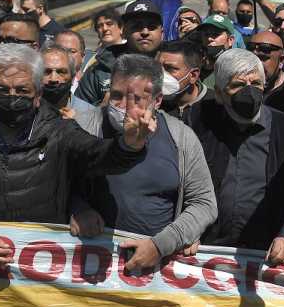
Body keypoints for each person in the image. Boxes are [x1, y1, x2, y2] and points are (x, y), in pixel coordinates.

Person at [0, 43, 153, 269]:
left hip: (39, 275)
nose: (12, 96)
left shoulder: (60, 131)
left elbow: (99, 156)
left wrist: (129, 145)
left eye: (22, 90)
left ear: (37, 95)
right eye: (2, 90)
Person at [81, 54, 217, 270]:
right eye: (116, 96)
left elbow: (204, 204)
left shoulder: (181, 137)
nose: (123, 106)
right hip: (87, 265)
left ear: (158, 100)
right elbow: (57, 181)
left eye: (136, 99)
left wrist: (161, 245)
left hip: (155, 270)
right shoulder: (85, 127)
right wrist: (79, 209)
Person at [188, 49, 284, 261]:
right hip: (207, 250)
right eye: (237, 85)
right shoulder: (199, 121)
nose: (248, 93)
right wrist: (189, 229)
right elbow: (186, 184)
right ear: (218, 93)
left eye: (255, 84)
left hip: (264, 252)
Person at [75, 0, 164, 105]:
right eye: (137, 27)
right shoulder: (100, 71)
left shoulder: (176, 66)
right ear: (125, 32)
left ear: (162, 33)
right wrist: (103, 110)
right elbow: (77, 113)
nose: (145, 32)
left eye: (152, 27)